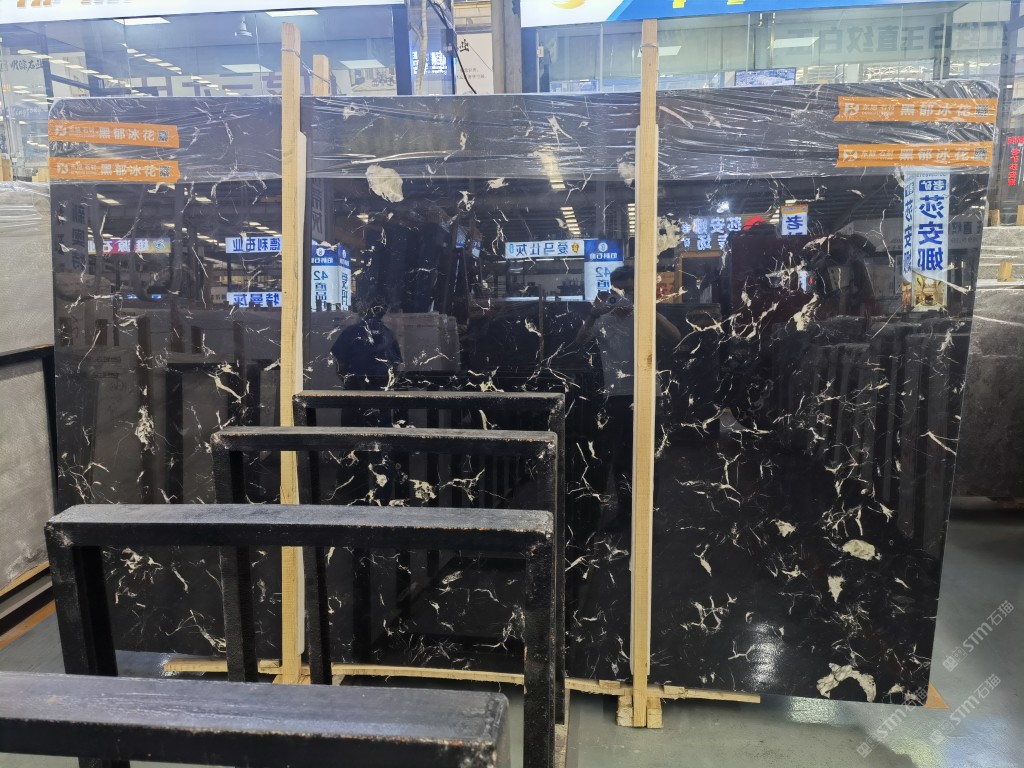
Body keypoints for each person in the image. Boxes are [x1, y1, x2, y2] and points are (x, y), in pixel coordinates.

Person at [576, 266, 681, 530]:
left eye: (630, 291)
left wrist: (645, 308)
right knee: (621, 461)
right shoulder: (603, 319)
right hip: (617, 397)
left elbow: (675, 336)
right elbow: (580, 341)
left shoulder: (645, 315)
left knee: (648, 460)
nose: (624, 296)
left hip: (647, 394)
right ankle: (625, 516)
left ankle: (647, 520)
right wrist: (593, 313)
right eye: (619, 291)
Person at [330, 298, 403, 386]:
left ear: (362, 311)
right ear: (383, 312)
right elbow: (395, 367)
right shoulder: (389, 334)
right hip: (382, 389)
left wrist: (353, 383)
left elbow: (340, 366)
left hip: (355, 387)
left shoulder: (350, 332)